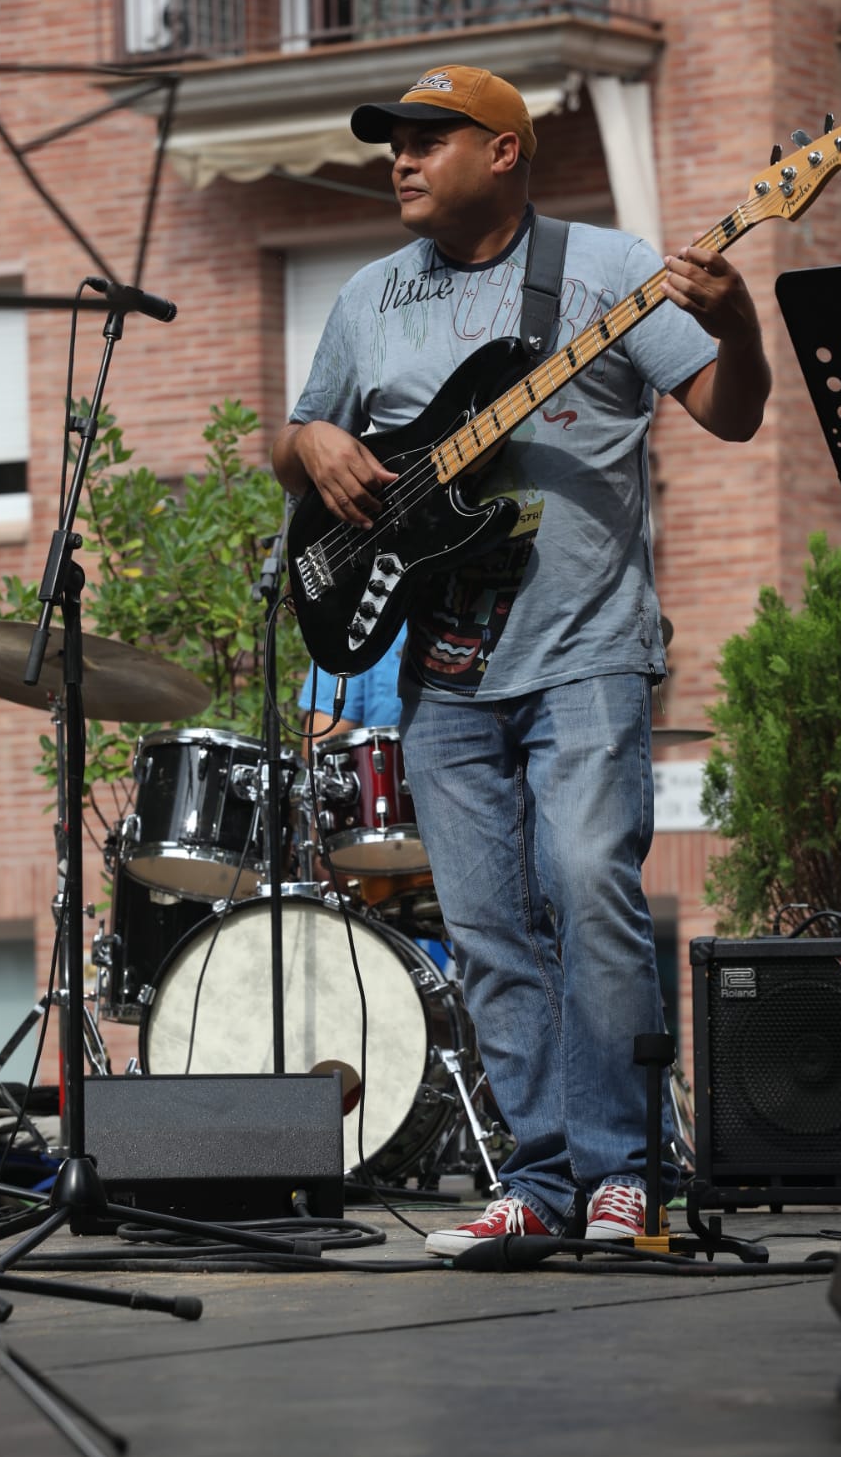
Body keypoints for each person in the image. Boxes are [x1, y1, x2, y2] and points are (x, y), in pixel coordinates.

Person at [271, 64, 769, 1256]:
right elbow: (295, 442)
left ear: (503, 152)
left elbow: (731, 412)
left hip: (585, 650)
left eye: (427, 139)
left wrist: (739, 320)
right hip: (441, 670)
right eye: (392, 142)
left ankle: (622, 1173)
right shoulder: (370, 297)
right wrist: (313, 442)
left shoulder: (607, 270)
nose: (400, 158)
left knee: (589, 888)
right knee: (489, 930)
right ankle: (539, 1180)